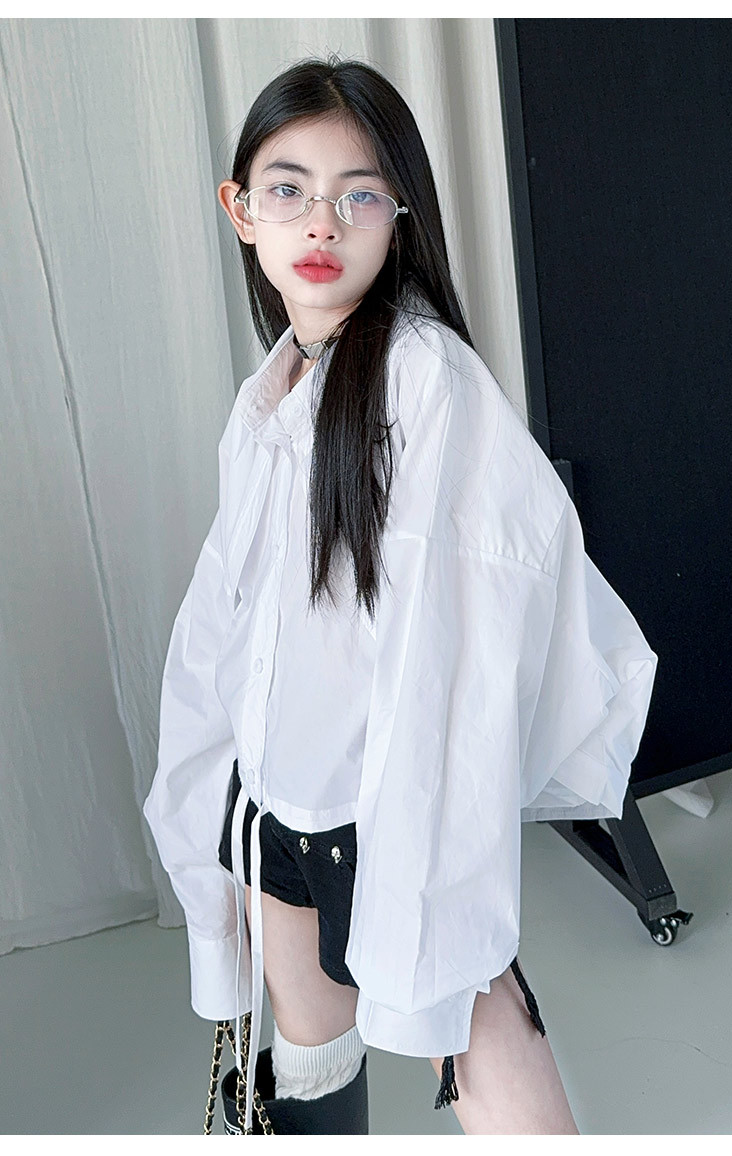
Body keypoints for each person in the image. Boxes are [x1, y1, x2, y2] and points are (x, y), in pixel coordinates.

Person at [143, 54, 658, 1135]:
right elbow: (221, 628)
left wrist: (430, 859)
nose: (320, 222)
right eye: (288, 189)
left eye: (360, 194)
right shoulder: (269, 396)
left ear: (400, 216)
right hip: (276, 808)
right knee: (313, 1073)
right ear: (241, 210)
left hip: (385, 815)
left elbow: (455, 655)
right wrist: (207, 801)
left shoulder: (426, 381)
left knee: (473, 1033)